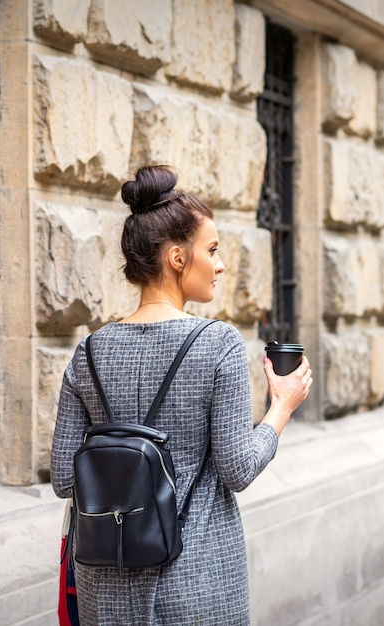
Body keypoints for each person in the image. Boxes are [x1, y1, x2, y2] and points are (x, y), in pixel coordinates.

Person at [50, 164, 313, 626]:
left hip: (105, 591)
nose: (220, 264)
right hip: (198, 582)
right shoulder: (219, 344)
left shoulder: (89, 352)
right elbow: (238, 469)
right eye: (211, 250)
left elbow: (63, 480)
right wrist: (281, 408)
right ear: (176, 257)